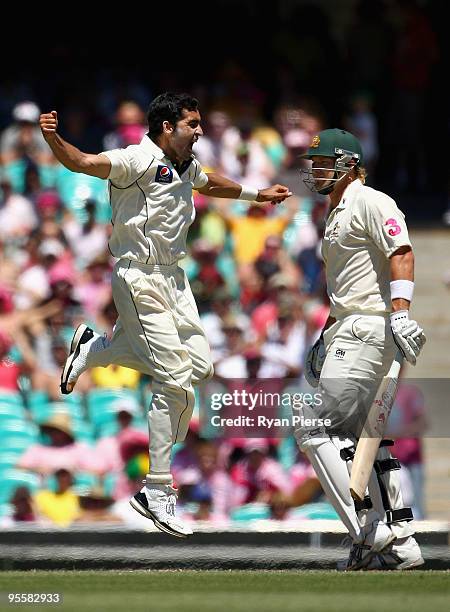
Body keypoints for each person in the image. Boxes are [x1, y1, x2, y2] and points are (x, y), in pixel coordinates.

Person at [39, 92, 291, 538]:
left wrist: (257, 194)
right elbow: (81, 163)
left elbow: (209, 182)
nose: (199, 131)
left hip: (176, 280)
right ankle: (155, 491)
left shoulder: (185, 164)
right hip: (139, 277)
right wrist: (54, 138)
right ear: (167, 126)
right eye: (192, 124)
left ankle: (94, 350)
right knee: (174, 377)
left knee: (200, 367)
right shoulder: (136, 159)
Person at [294, 128, 426, 570]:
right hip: (347, 328)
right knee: (369, 442)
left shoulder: (371, 200)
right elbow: (347, 286)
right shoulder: (333, 214)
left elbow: (401, 252)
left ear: (348, 164)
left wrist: (401, 312)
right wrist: (325, 334)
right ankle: (402, 541)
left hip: (368, 329)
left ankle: (370, 533)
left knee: (315, 426)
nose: (313, 171)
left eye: (322, 162)